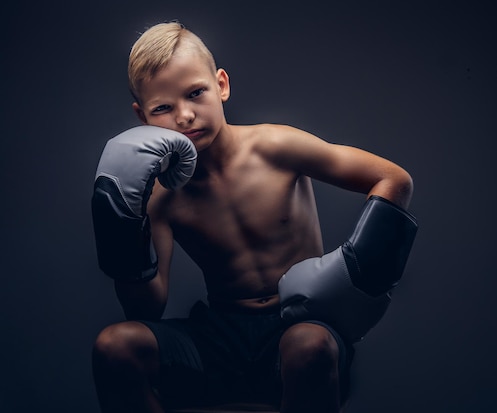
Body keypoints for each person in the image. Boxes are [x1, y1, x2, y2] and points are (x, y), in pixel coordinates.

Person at [91, 21, 415, 413]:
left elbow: (393, 179)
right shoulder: (159, 196)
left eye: (196, 93)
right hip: (219, 336)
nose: (185, 116)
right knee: (115, 346)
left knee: (309, 345)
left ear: (221, 85)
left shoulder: (274, 146)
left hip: (297, 327)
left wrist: (359, 277)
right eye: (163, 108)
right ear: (142, 117)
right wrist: (121, 228)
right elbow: (146, 309)